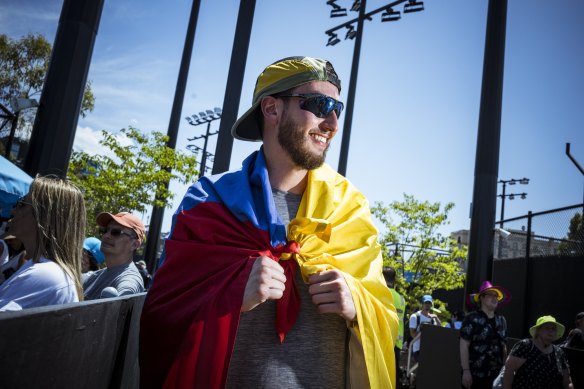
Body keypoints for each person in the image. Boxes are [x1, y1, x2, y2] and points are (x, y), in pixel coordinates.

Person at [139, 56, 398, 388]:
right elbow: (160, 317)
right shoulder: (207, 202)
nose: (332, 122)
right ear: (272, 109)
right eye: (320, 105)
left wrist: (358, 306)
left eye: (338, 109)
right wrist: (231, 295)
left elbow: (388, 321)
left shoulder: (350, 210)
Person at [0, 175, 85, 311]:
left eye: (21, 204)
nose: (13, 210)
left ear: (43, 217)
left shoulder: (46, 274)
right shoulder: (44, 268)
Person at [460, 280, 510, 389]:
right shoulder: (471, 318)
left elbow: (504, 347)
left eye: (496, 295)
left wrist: (506, 371)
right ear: (481, 298)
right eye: (490, 295)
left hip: (496, 376)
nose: (494, 298)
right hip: (475, 375)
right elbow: (464, 344)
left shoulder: (501, 320)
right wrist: (466, 371)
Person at [82, 212, 145, 299]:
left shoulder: (129, 280)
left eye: (116, 232)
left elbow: (126, 293)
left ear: (134, 244)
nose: (106, 236)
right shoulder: (95, 276)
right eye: (105, 230)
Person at [502, 315, 573, 389]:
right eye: (547, 328)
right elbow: (509, 370)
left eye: (553, 328)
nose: (551, 331)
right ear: (538, 330)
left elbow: (567, 381)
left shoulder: (559, 352)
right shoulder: (526, 346)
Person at [384, 266, 406, 382]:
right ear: (394, 280)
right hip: (397, 344)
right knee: (394, 377)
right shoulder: (401, 299)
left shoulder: (381, 294)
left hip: (383, 342)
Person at [409, 294, 441, 363]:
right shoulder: (415, 316)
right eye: (425, 303)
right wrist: (423, 330)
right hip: (418, 350)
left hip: (429, 350)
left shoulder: (432, 318)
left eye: (429, 303)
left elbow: (439, 331)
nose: (427, 305)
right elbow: (412, 334)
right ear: (422, 304)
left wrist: (436, 318)